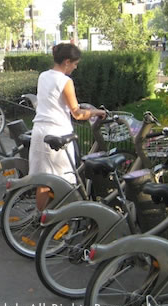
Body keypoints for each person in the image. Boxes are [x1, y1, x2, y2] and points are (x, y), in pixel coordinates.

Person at [28, 43, 106, 211]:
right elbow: (77, 113)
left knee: (43, 182)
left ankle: (41, 220)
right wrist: (95, 112)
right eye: (75, 64)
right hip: (57, 132)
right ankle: (59, 221)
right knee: (63, 181)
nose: (75, 67)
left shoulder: (43, 76)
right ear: (67, 62)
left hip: (39, 131)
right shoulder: (65, 81)